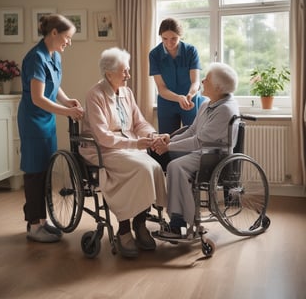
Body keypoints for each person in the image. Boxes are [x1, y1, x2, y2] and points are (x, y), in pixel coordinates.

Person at [79, 47, 167, 258]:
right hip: (104, 149)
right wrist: (137, 144)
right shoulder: (95, 94)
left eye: (127, 70)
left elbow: (139, 122)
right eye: (124, 71)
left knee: (154, 166)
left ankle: (140, 223)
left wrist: (152, 135)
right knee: (141, 168)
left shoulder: (127, 92)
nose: (128, 75)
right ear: (109, 74)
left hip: (127, 145)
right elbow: (103, 136)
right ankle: (124, 228)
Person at [152, 62, 240, 237]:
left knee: (175, 166)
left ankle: (178, 223)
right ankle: (155, 205)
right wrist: (168, 140)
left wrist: (168, 146)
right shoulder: (207, 104)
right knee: (156, 153)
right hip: (203, 151)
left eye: (207, 79)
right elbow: (192, 130)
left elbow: (198, 141)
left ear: (218, 87)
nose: (203, 81)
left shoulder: (225, 109)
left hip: (214, 156)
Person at [17, 14, 84, 243]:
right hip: (33, 120)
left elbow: (54, 86)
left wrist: (67, 101)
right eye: (67, 37)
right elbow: (38, 98)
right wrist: (66, 112)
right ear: (54, 33)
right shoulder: (36, 57)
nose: (69, 42)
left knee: (45, 171)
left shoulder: (53, 55)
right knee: (35, 173)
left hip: (47, 120)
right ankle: (34, 225)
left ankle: (43, 222)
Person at [149, 17, 205, 135]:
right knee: (167, 140)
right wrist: (178, 98)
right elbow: (161, 88)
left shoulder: (191, 51)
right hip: (166, 102)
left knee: (193, 137)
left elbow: (195, 82)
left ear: (180, 36)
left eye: (174, 38)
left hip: (189, 100)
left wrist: (189, 95)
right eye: (165, 38)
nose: (169, 43)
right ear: (161, 37)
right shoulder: (154, 55)